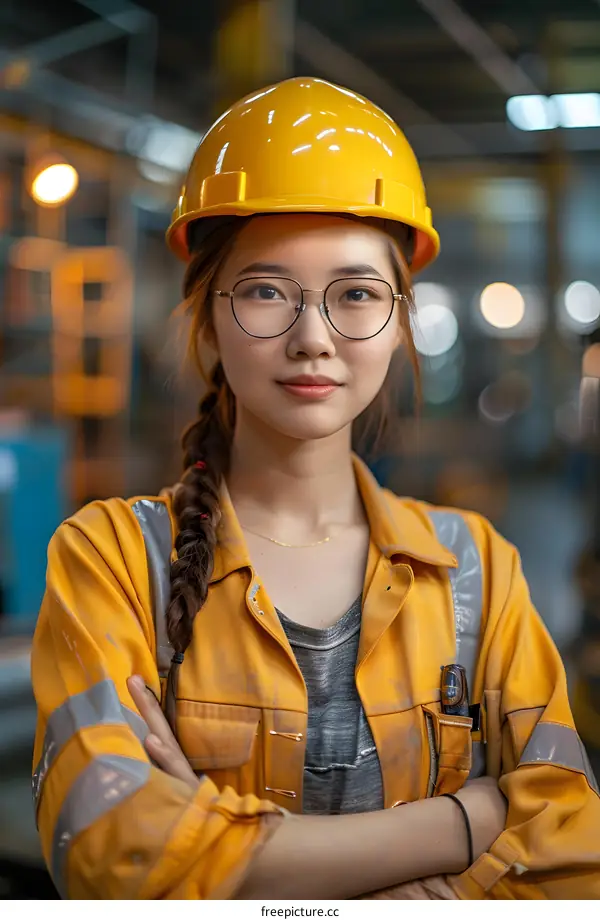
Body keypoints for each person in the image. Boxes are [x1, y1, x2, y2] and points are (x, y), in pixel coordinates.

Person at [31, 77, 600, 901]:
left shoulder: (475, 569)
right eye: (266, 290)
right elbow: (112, 853)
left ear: (400, 321)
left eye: (357, 295)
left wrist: (210, 835)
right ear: (207, 317)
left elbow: (574, 855)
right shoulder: (112, 560)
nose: (312, 338)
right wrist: (461, 823)